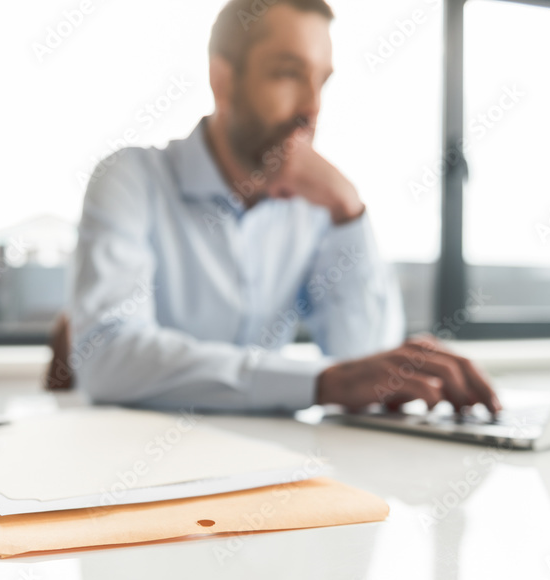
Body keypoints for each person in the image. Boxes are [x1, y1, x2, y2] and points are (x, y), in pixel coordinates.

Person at [64, 0, 501, 415]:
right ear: (222, 79)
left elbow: (368, 370)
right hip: (139, 463)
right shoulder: (132, 179)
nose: (312, 107)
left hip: (270, 464)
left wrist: (350, 212)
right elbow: (106, 358)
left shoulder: (317, 202)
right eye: (288, 74)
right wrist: (319, 383)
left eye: (322, 81)